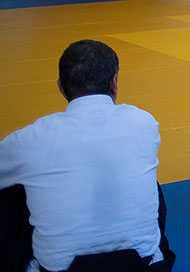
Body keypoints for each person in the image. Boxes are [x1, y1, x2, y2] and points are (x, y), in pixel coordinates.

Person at [0, 40, 175, 272]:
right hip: (143, 265)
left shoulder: (30, 138)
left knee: (17, 186)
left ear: (61, 87)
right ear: (114, 83)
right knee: (144, 180)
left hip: (58, 269)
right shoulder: (144, 122)